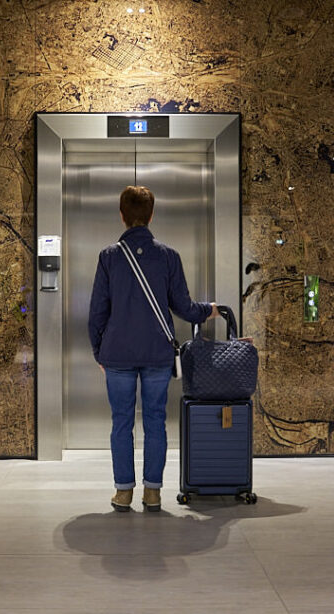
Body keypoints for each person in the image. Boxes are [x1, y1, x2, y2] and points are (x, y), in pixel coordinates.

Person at [88, 185, 217, 512]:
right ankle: (153, 492)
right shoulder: (169, 256)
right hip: (158, 354)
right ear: (151, 214)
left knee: (121, 422)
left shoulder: (108, 257)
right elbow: (185, 308)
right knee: (156, 421)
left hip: (117, 355)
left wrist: (98, 352)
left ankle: (123, 492)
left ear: (122, 214)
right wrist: (210, 309)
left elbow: (97, 312)